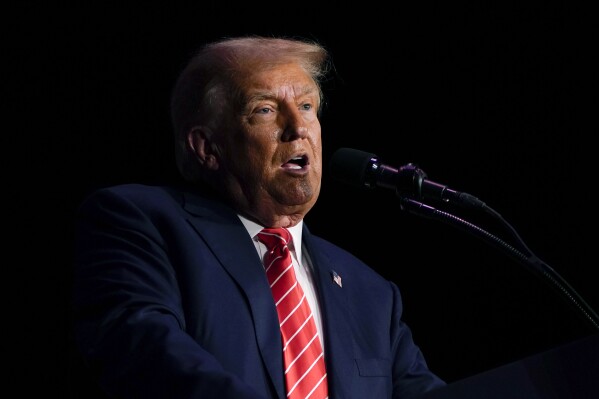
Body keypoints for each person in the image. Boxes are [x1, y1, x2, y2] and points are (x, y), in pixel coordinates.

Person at [70, 35, 446, 399]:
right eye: (265, 109)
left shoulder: (372, 293)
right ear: (206, 147)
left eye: (307, 107)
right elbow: (146, 353)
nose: (297, 128)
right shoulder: (143, 223)